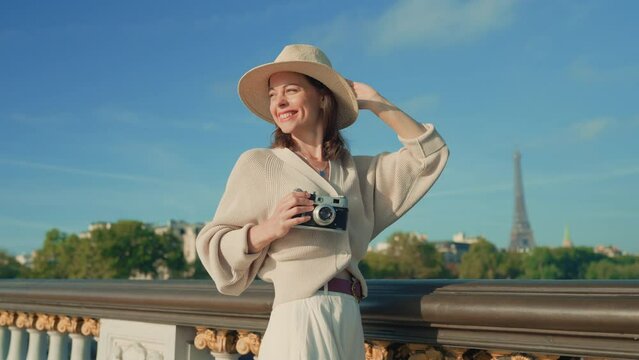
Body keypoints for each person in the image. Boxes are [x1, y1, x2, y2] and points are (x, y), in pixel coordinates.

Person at [196, 44, 449, 359]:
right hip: (299, 317)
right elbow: (212, 245)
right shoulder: (259, 164)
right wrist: (268, 229)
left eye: (291, 90)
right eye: (273, 95)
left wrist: (378, 103)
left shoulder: (358, 172)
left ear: (323, 97)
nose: (280, 102)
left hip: (349, 316)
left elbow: (429, 155)